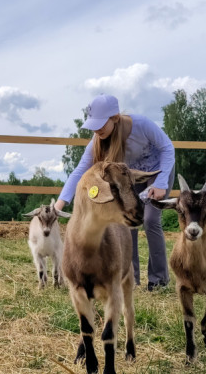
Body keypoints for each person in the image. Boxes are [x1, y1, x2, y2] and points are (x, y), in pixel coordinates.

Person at [55, 93, 176, 290]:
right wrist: (60, 204)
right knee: (126, 222)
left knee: (150, 220)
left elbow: (167, 148)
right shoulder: (97, 140)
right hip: (128, 178)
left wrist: (161, 183)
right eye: (93, 124)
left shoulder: (142, 125)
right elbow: (80, 171)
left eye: (101, 123)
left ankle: (159, 280)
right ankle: (130, 278)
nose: (97, 129)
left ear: (115, 118)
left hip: (157, 172)